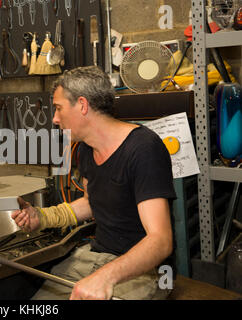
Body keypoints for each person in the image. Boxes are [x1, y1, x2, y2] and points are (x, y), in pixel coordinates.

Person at [12, 66, 176, 300]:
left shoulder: (144, 149)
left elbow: (160, 241)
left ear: (82, 105)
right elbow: (92, 202)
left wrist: (106, 276)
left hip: (143, 271)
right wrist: (42, 217)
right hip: (94, 257)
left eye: (58, 108)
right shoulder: (86, 150)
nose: (55, 119)